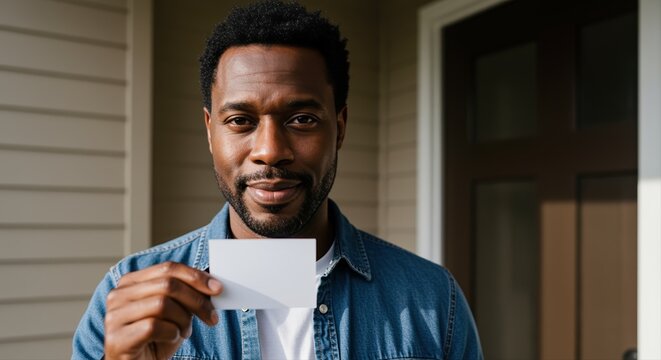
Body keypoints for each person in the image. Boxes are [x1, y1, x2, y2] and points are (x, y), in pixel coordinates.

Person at [72, 1, 483, 359]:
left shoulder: (432, 300)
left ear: (339, 127)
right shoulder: (124, 301)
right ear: (210, 131)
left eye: (302, 119)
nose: (270, 150)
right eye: (240, 121)